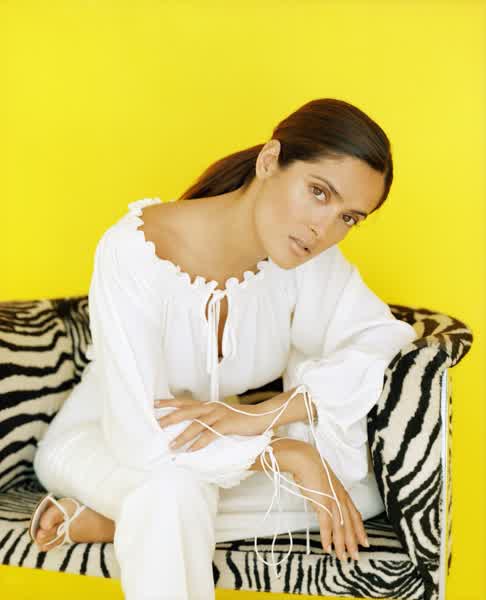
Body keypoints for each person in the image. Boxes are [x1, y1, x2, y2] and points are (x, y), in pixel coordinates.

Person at [30, 97, 417, 600]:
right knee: (171, 491)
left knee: (356, 490)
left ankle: (116, 521)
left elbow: (380, 337)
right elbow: (141, 440)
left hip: (208, 452)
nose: (325, 229)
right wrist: (288, 453)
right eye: (318, 192)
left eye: (349, 217)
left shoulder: (308, 259)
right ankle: (142, 516)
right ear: (270, 160)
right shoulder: (134, 251)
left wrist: (269, 413)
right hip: (106, 441)